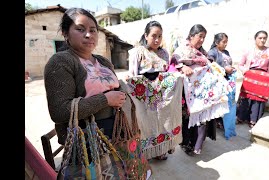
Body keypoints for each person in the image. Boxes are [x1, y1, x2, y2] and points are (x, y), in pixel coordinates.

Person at [44, 8, 127, 146]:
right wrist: (105, 100)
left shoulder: (103, 61)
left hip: (115, 131)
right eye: (80, 29)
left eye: (93, 30)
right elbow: (59, 112)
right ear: (65, 33)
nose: (88, 35)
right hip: (86, 142)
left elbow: (116, 89)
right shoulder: (60, 62)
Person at [125, 20, 183, 161]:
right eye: (153, 36)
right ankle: (147, 152)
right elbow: (133, 76)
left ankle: (160, 150)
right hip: (144, 97)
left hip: (162, 97)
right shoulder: (137, 52)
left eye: (160, 36)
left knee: (162, 122)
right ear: (146, 35)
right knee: (145, 123)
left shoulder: (164, 53)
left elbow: (166, 73)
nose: (157, 40)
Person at [169, 24, 230, 155]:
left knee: (202, 117)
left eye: (204, 37)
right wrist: (182, 67)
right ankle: (186, 144)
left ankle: (197, 144)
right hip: (188, 92)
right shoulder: (181, 50)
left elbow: (209, 63)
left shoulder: (203, 52)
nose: (202, 40)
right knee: (188, 118)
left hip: (203, 92)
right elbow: (173, 63)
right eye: (200, 36)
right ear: (191, 36)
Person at [237, 30, 269, 128]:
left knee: (258, 99)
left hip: (263, 78)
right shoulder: (248, 51)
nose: (262, 40)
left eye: (264, 38)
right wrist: (245, 71)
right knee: (246, 97)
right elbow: (240, 64)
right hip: (250, 77)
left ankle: (253, 120)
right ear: (255, 39)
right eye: (260, 38)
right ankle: (241, 117)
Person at [207, 33, 237, 140]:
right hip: (217, 81)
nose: (225, 44)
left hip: (227, 80)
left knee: (228, 102)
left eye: (226, 42)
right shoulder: (212, 52)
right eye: (223, 42)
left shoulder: (226, 52)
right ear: (216, 42)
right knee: (218, 102)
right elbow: (210, 65)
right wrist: (224, 69)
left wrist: (231, 69)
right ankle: (216, 123)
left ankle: (223, 123)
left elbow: (228, 62)